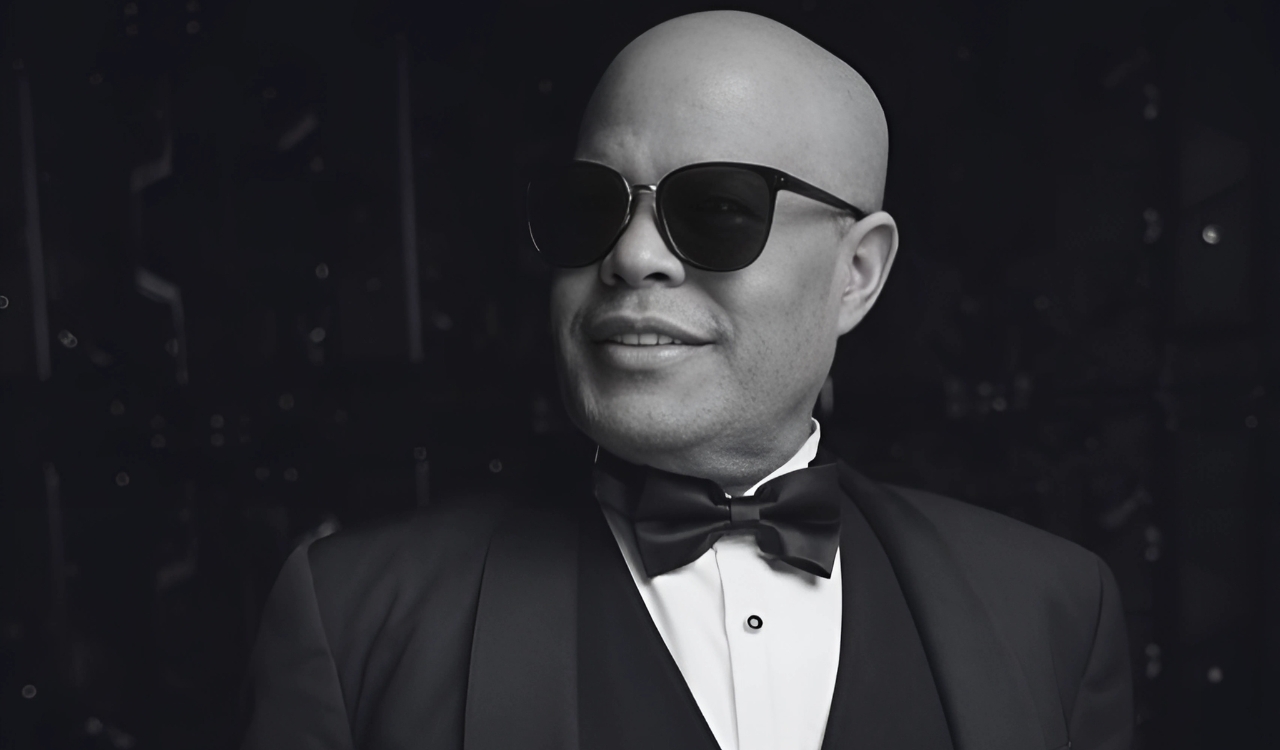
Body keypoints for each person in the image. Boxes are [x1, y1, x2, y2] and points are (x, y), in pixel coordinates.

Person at [238, 10, 1133, 750]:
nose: (631, 257)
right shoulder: (354, 621)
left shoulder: (1053, 609)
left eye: (716, 209)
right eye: (592, 207)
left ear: (857, 274)